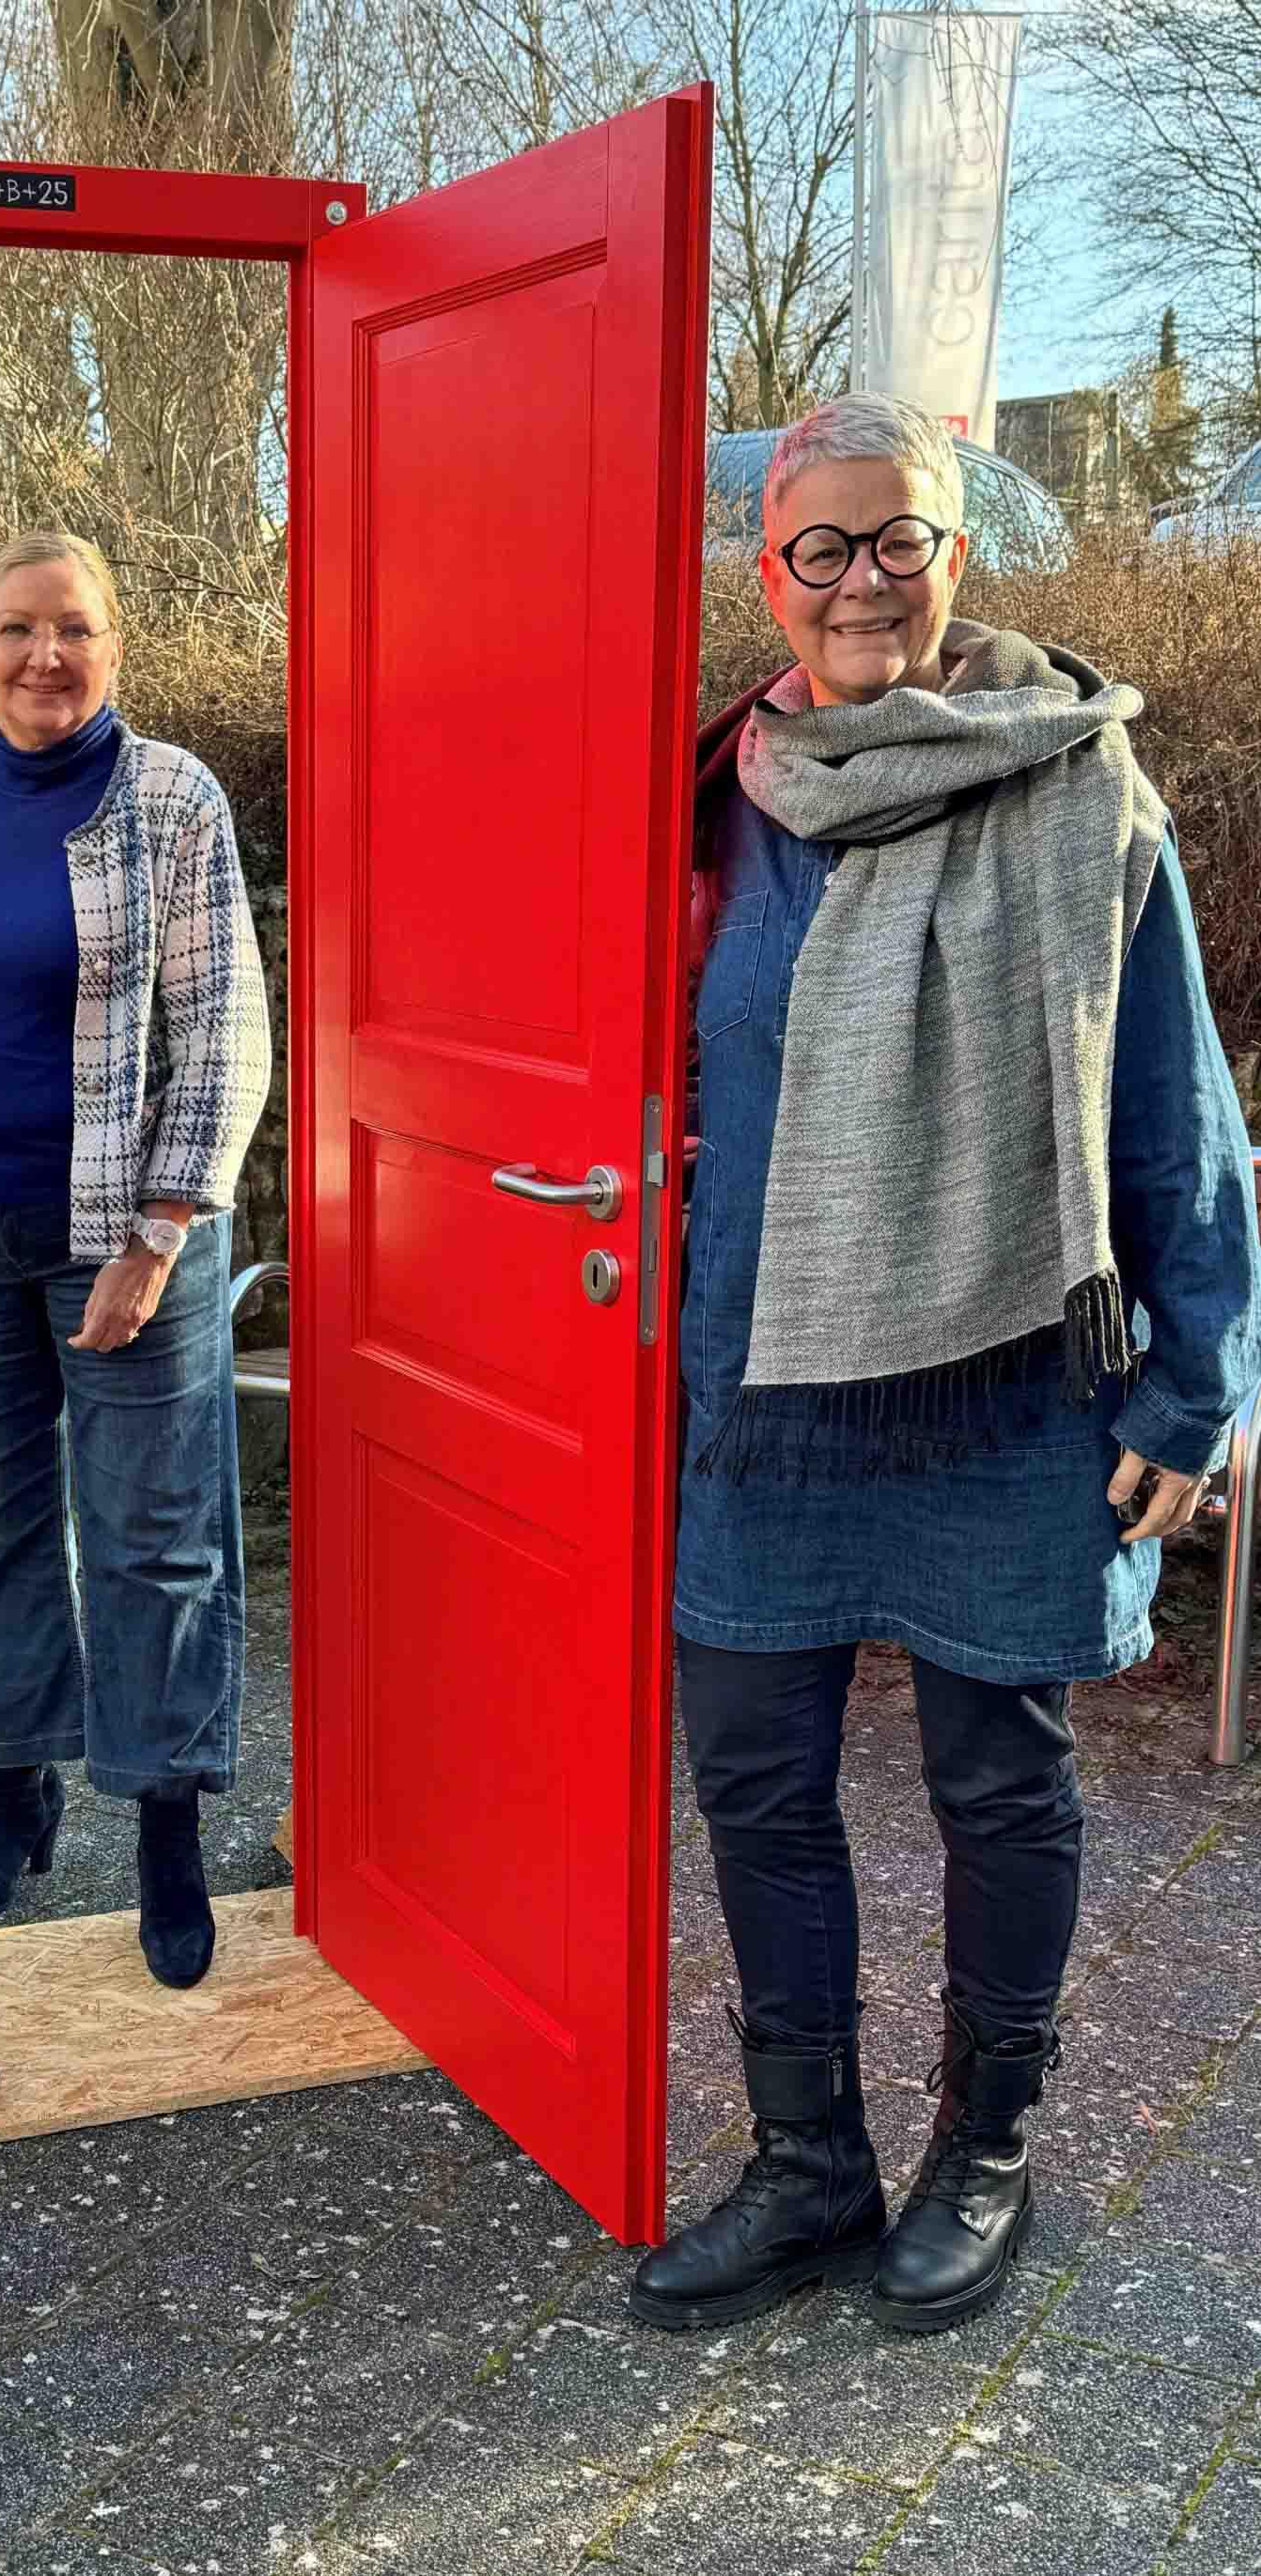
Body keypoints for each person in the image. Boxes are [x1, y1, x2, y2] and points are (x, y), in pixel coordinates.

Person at [629, 395, 1261, 2338]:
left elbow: (1167, 1102)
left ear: (953, 554)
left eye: (895, 538)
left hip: (1005, 1377)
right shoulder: (712, 788)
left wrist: (1194, 1373)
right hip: (767, 1376)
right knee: (750, 1775)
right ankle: (806, 2161)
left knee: (999, 1781)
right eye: (820, 547)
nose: (859, 579)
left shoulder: (1082, 791)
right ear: (769, 575)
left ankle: (977, 2151)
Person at [0, 533, 271, 1990]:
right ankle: (20, 1784)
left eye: (74, 630)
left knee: (156, 1540)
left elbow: (223, 1027)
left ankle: (165, 1821)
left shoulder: (169, 797)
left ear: (115, 645)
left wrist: (163, 1230)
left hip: (122, 1230)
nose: (46, 657)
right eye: (17, 629)